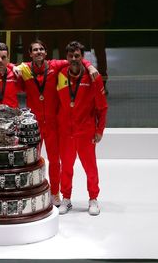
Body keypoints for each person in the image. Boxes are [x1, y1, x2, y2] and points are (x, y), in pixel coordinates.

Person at [16, 40, 98, 208]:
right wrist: (3, 67)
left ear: (46, 53)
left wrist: (89, 65)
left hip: (53, 124)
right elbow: (2, 65)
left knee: (55, 161)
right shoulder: (24, 69)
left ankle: (55, 193)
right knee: (30, 161)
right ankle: (29, 192)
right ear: (30, 54)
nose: (38, 52)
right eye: (35, 50)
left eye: (41, 49)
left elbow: (74, 59)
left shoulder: (55, 65)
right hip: (34, 125)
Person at [56, 42, 108, 216]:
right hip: (66, 132)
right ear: (67, 57)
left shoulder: (93, 78)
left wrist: (99, 130)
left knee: (90, 168)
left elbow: (102, 107)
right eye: (70, 56)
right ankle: (66, 198)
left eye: (77, 56)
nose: (73, 59)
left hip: (86, 132)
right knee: (66, 167)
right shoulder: (60, 74)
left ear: (83, 58)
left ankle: (93, 198)